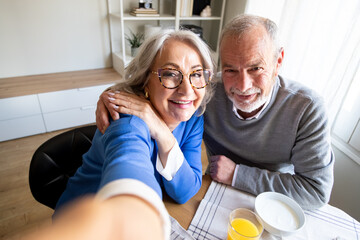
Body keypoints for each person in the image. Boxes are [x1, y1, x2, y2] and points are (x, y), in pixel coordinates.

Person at [96, 14, 334, 210]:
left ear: (278, 61)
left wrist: (237, 174)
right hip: (214, 197)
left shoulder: (307, 108)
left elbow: (315, 191)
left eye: (255, 68)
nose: (242, 86)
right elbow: (129, 163)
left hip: (273, 204)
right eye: (230, 69)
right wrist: (112, 94)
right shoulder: (207, 93)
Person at [55, 28, 215, 240]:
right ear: (145, 79)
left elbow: (185, 191)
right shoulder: (126, 119)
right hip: (80, 226)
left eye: (196, 74)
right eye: (169, 74)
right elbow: (129, 165)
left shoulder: (192, 118)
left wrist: (163, 135)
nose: (187, 90)